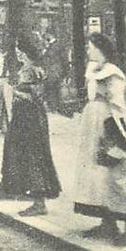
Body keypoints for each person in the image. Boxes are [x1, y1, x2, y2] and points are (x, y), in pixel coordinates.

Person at [0, 42, 61, 216]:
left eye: (21, 52)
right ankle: (34, 198)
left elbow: (34, 95)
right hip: (27, 117)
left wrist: (12, 91)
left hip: (29, 119)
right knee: (29, 155)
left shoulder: (30, 71)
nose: (19, 55)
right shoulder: (31, 69)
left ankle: (39, 201)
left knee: (32, 155)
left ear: (28, 54)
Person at [74, 32, 126, 240]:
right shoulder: (94, 69)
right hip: (92, 124)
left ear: (99, 48)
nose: (87, 50)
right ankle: (107, 223)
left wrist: (118, 133)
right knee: (95, 174)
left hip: (107, 122)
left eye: (89, 46)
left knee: (112, 174)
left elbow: (118, 104)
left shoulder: (113, 73)